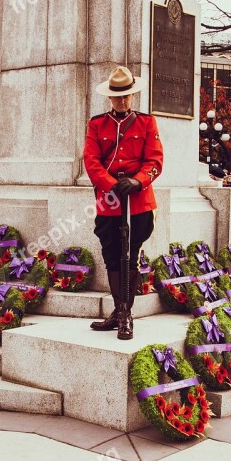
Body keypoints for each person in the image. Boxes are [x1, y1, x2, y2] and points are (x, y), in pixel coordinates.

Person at [83, 66, 163, 340]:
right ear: (110, 98)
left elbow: (155, 160)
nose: (123, 101)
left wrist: (138, 181)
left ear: (133, 96)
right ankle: (119, 311)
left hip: (138, 201)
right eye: (118, 97)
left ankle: (126, 312)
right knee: (112, 254)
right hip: (110, 200)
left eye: (127, 96)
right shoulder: (97, 124)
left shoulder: (146, 122)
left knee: (132, 253)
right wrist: (111, 185)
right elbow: (91, 162)